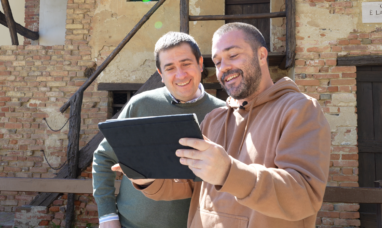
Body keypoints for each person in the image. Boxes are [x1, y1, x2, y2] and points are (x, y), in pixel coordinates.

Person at [121, 23, 331, 228]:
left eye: (233, 55)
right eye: (218, 61)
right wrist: (146, 177)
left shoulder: (300, 109)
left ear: (261, 55)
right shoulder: (214, 119)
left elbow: (304, 196)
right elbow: (188, 184)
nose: (225, 67)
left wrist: (228, 172)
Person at [93, 32, 225, 228]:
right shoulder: (141, 105)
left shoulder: (223, 114)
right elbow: (103, 157)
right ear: (160, 74)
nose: (180, 74)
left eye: (186, 63)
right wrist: (107, 216)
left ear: (200, 63)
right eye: (170, 68)